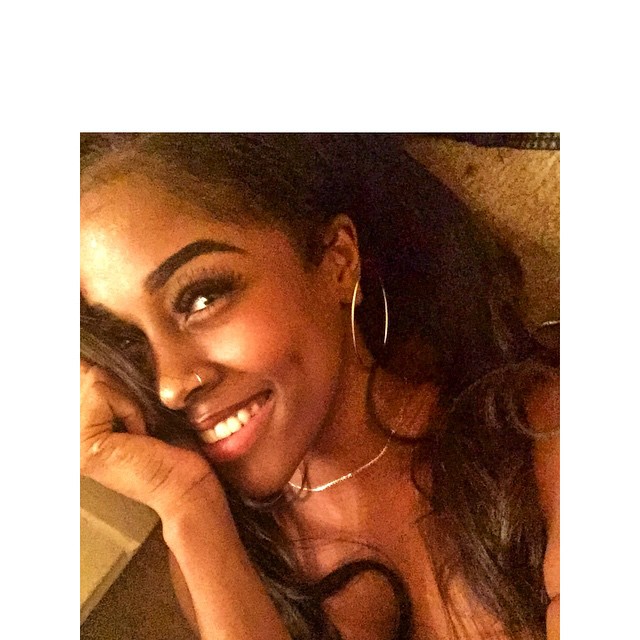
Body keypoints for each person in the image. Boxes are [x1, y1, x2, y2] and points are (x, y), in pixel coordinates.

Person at [80, 134, 559, 640]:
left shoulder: (535, 426)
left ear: (337, 262)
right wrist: (185, 504)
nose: (170, 386)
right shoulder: (221, 549)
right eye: (130, 341)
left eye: (201, 299)